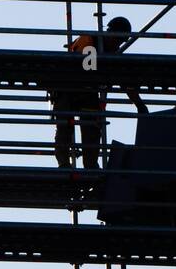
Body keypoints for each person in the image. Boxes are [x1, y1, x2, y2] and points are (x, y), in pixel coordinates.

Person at [50, 17, 148, 171]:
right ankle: (64, 165)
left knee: (92, 132)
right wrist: (107, 69)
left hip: (88, 96)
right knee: (65, 129)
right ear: (110, 33)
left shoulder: (113, 53)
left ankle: (91, 168)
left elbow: (126, 83)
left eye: (121, 41)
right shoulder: (89, 40)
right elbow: (88, 69)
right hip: (67, 89)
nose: (117, 44)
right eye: (117, 39)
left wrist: (140, 105)